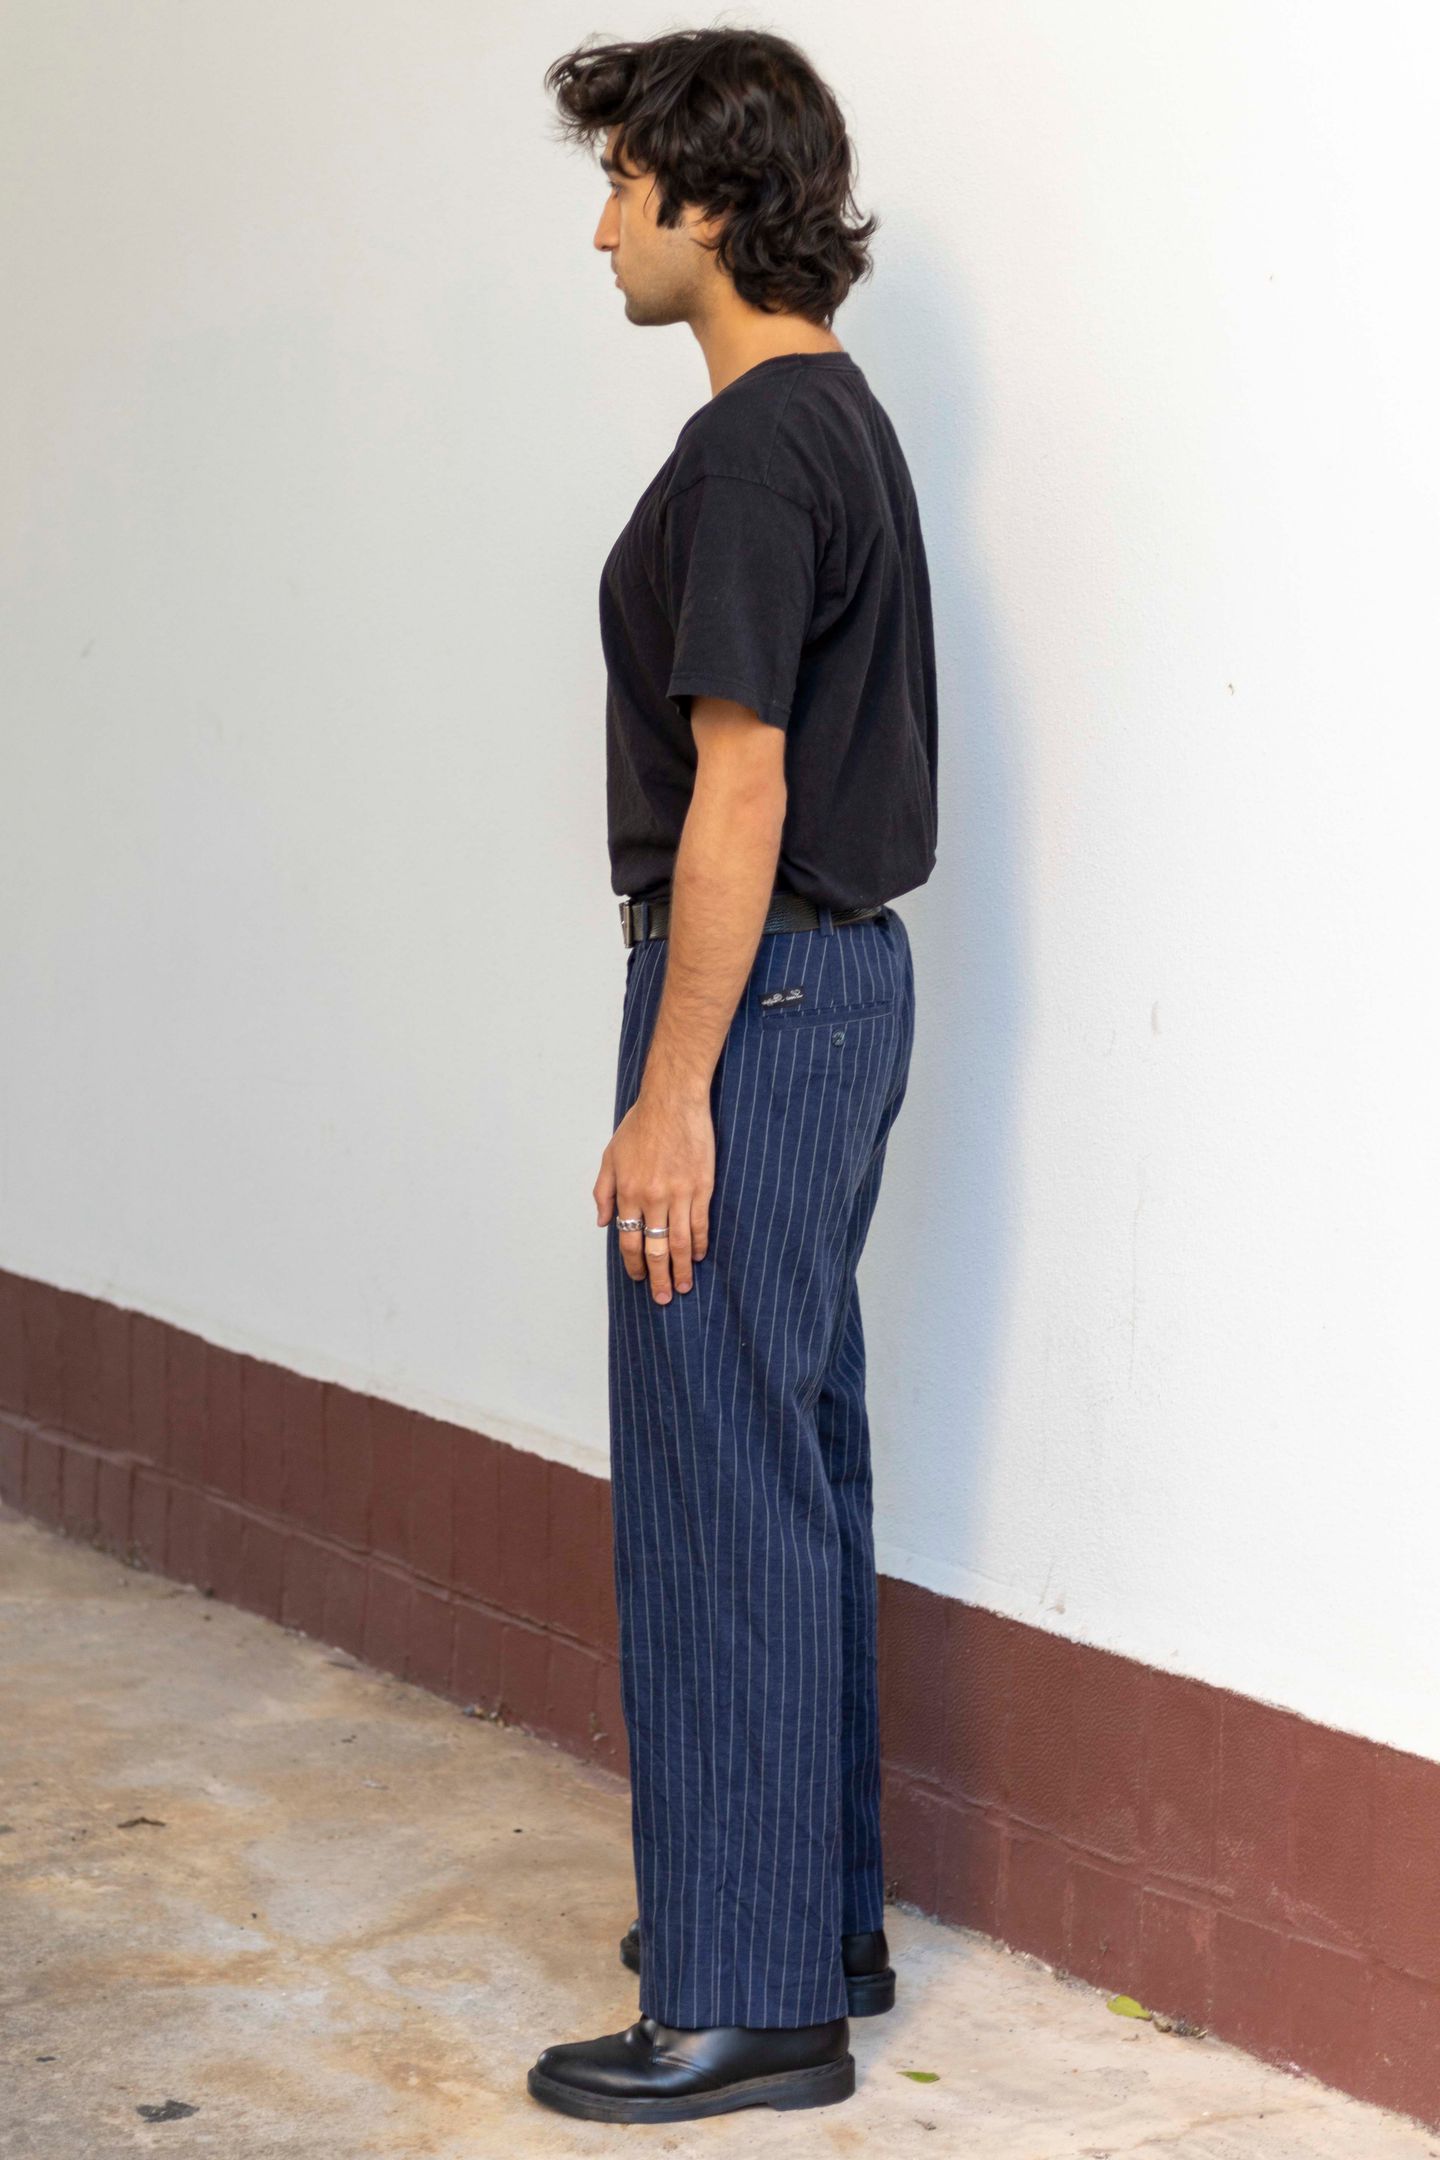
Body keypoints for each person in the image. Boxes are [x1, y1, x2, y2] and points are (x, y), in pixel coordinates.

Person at [531, 26, 938, 2124]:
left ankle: (749, 1999)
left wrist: (669, 1088)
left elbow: (743, 783)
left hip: (753, 1004)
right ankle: (814, 1921)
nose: (602, 224)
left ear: (707, 195)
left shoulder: (759, 451)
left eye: (623, 182)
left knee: (716, 1481)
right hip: (830, 997)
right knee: (791, 1458)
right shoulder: (834, 419)